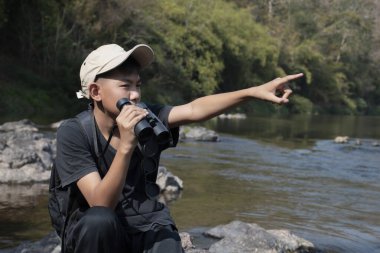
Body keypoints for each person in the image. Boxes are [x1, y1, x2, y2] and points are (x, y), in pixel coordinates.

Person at [54, 43, 303, 253]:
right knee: (100, 220)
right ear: (96, 92)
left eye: (138, 84)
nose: (135, 95)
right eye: (125, 86)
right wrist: (126, 146)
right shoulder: (75, 132)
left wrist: (253, 92)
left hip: (145, 223)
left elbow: (194, 109)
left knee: (165, 238)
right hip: (97, 232)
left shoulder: (146, 115)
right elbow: (100, 203)